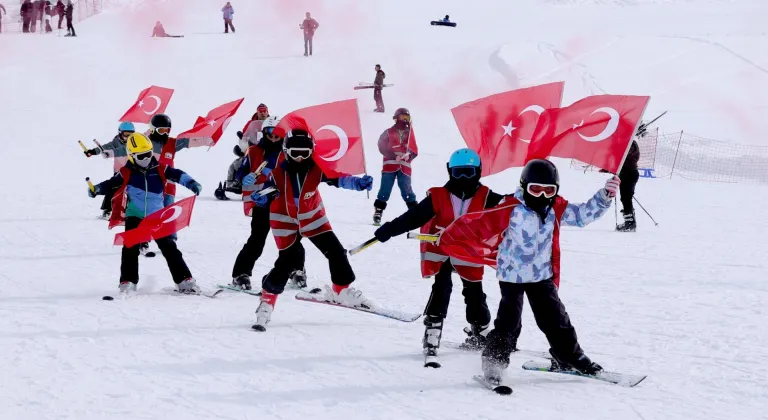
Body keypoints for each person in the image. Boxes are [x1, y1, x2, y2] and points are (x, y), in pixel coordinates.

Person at [480, 159, 619, 385]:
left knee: (556, 318)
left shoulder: (556, 208)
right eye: (536, 189)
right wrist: (453, 237)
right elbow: (479, 228)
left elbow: (582, 215)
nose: (542, 196)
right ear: (524, 186)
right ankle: (494, 361)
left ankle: (568, 356)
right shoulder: (509, 207)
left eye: (549, 191)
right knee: (509, 321)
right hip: (511, 275)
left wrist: (604, 196)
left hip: (540, 275)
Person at [373, 148, 508, 361]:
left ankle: (480, 329)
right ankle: (433, 328)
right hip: (443, 251)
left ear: (479, 172)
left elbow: (510, 211)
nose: (463, 179)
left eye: (469, 172)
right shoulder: (439, 196)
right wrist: (389, 229)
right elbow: (414, 217)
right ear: (449, 172)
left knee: (473, 292)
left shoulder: (487, 197)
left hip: (469, 253)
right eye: (458, 173)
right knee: (441, 286)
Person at [251, 129, 374, 331]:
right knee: (287, 261)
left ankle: (341, 290)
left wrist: (358, 183)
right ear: (286, 151)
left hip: (313, 217)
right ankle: (267, 302)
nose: (300, 158)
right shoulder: (277, 173)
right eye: (295, 153)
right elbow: (266, 190)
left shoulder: (317, 168)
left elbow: (339, 179)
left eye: (305, 153)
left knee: (336, 252)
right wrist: (261, 198)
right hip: (285, 219)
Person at [87, 133, 203, 294]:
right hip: (135, 214)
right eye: (142, 155)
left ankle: (184, 280)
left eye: (148, 153)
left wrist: (191, 183)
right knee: (130, 247)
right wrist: (97, 189)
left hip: (157, 215)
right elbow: (111, 184)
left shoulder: (160, 168)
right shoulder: (127, 172)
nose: (147, 158)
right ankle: (128, 281)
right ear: (132, 156)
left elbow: (177, 174)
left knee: (169, 246)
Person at [230, 116, 308, 291]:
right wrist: (244, 178)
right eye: (270, 135)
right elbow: (240, 171)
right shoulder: (254, 151)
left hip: (284, 203)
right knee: (257, 239)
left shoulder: (289, 152)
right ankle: (240, 274)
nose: (273, 139)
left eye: (277, 136)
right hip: (261, 202)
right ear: (264, 134)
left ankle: (296, 270)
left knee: (291, 239)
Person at [215, 104, 270, 200]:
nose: (262, 113)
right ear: (257, 112)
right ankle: (234, 183)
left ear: (267, 112)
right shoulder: (251, 123)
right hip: (253, 147)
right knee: (236, 164)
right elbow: (245, 134)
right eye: (260, 111)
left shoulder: (271, 122)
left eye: (264, 111)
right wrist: (242, 138)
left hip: (267, 149)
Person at [373, 107, 417, 225]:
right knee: (385, 188)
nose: (405, 120)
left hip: (404, 167)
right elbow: (381, 145)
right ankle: (378, 210)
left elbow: (415, 149)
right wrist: (392, 156)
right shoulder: (388, 132)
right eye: (403, 117)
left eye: (407, 117)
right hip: (390, 166)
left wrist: (410, 155)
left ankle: (415, 212)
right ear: (397, 118)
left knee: (406, 189)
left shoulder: (410, 134)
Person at [83, 122, 137, 219]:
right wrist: (93, 151)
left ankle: (129, 211)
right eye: (126, 134)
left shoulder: (135, 143)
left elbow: (125, 149)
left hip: (133, 171)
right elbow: (105, 147)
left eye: (131, 135)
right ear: (120, 133)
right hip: (119, 172)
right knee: (113, 189)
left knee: (131, 191)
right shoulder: (116, 142)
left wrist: (111, 153)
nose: (128, 137)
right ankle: (107, 210)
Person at [616, 139, 640, 232]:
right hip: (627, 172)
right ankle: (630, 220)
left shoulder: (630, 142)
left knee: (626, 198)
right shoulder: (629, 142)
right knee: (625, 198)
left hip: (629, 172)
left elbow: (625, 154)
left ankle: (630, 223)